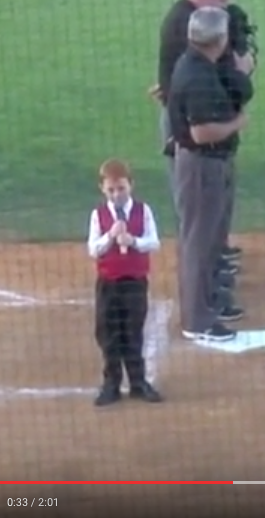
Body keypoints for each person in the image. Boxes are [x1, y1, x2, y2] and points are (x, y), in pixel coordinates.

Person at [154, 0, 252, 323]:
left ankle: (210, 300)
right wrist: (237, 122)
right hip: (198, 160)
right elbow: (199, 132)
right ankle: (198, 317)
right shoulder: (195, 72)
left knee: (208, 235)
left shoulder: (197, 65)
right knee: (198, 238)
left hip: (208, 158)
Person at [85, 158, 163, 406]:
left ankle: (138, 383)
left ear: (131, 185)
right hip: (108, 283)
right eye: (111, 190)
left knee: (133, 332)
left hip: (135, 283)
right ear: (102, 189)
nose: (116, 194)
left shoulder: (144, 211)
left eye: (121, 188)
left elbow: (154, 242)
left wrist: (134, 241)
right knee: (108, 333)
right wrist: (110, 236)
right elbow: (93, 249)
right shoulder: (98, 215)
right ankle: (112, 384)